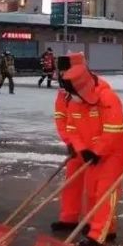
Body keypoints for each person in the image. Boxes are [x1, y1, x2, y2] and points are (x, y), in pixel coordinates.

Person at [61, 60, 123, 246]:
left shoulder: (108, 99)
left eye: (73, 93)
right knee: (92, 191)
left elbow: (113, 129)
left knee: (105, 192)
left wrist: (97, 150)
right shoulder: (74, 102)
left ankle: (97, 235)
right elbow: (71, 128)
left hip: (114, 152)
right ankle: (104, 229)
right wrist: (82, 149)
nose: (71, 97)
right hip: (91, 152)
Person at [51, 53, 88, 232]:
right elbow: (61, 119)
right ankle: (69, 218)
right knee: (71, 182)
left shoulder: (89, 88)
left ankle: (94, 223)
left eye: (66, 71)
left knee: (93, 187)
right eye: (61, 71)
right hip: (75, 144)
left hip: (92, 147)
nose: (62, 74)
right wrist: (69, 141)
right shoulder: (63, 93)